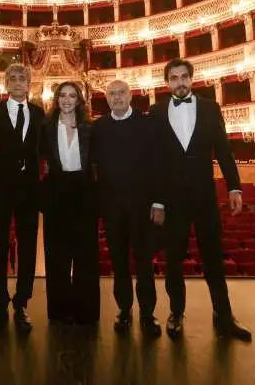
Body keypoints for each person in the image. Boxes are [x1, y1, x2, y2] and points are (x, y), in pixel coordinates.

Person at [149, 58, 252, 342]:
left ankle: (223, 316)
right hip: (171, 199)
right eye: (174, 77)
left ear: (191, 80)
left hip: (204, 196)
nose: (179, 82)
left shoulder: (209, 107)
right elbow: (155, 160)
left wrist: (234, 188)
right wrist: (157, 201)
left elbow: (224, 150)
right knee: (173, 262)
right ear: (167, 82)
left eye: (184, 77)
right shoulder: (156, 112)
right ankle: (176, 314)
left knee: (213, 259)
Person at [0, 64, 45, 336]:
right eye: (13, 78)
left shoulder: (40, 114)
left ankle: (22, 303)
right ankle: (0, 304)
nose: (18, 82)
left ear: (29, 84)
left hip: (29, 189)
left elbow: (46, 152)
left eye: (22, 78)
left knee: (28, 246)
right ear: (5, 84)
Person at [91, 80, 161, 337]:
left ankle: (147, 313)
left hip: (142, 206)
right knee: (119, 262)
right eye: (112, 94)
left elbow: (157, 164)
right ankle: (124, 309)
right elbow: (93, 167)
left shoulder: (147, 124)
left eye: (121, 93)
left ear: (130, 96)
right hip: (111, 207)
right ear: (106, 98)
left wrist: (158, 202)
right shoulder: (98, 128)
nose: (117, 97)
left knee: (144, 261)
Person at [39, 82, 99, 325]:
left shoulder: (89, 128)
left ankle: (86, 311)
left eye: (72, 95)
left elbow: (98, 163)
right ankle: (59, 309)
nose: (66, 100)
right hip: (57, 190)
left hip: (84, 191)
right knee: (56, 255)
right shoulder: (46, 128)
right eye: (62, 95)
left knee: (86, 254)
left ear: (79, 100)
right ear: (56, 99)